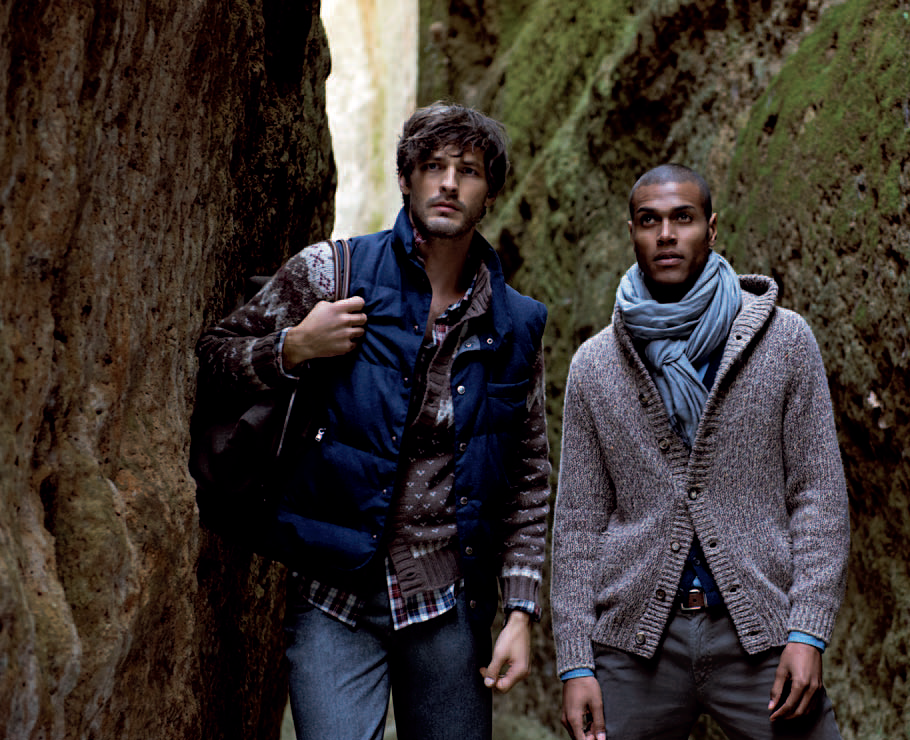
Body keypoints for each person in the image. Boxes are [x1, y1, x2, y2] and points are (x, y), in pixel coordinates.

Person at [196, 102, 550, 740]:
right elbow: (214, 360)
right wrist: (293, 348)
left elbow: (528, 475)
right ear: (407, 179)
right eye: (432, 166)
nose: (449, 183)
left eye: (468, 170)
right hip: (334, 595)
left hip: (448, 602)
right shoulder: (333, 273)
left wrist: (520, 611)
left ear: (489, 193)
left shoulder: (517, 324)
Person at [550, 164, 849, 740]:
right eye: (649, 221)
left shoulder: (784, 342)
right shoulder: (595, 365)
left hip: (761, 637)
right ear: (632, 233)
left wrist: (808, 631)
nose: (666, 235)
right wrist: (575, 663)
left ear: (711, 229)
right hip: (635, 645)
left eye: (682, 218)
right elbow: (579, 524)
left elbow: (818, 495)